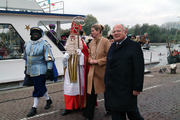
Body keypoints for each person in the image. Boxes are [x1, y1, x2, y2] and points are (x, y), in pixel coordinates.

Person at [104, 24, 144, 120]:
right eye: (114, 31)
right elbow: (109, 65)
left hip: (127, 88)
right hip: (113, 88)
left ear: (125, 32)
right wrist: (106, 81)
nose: (116, 33)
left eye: (119, 31)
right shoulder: (113, 45)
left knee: (132, 113)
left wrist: (137, 87)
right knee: (116, 114)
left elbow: (139, 68)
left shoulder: (134, 46)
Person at [23, 27, 55, 117]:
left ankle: (34, 108)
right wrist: (26, 68)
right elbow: (26, 58)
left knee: (37, 88)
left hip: (41, 70)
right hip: (30, 70)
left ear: (41, 34)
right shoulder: (27, 43)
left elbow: (49, 59)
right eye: (33, 32)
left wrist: (49, 70)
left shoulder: (45, 44)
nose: (35, 34)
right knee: (40, 86)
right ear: (31, 34)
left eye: (37, 32)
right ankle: (48, 100)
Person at [83, 24, 111, 120]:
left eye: (93, 30)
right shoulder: (91, 42)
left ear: (99, 31)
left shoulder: (105, 41)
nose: (92, 32)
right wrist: (90, 60)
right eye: (91, 30)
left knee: (106, 92)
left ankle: (110, 108)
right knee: (92, 93)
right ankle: (88, 115)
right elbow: (90, 55)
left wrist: (97, 61)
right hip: (93, 72)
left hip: (102, 71)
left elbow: (109, 57)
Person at [61, 21, 89, 116]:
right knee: (69, 87)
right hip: (69, 73)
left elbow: (86, 61)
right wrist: (64, 58)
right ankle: (68, 107)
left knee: (78, 87)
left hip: (79, 72)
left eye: (74, 36)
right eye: (71, 36)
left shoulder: (82, 47)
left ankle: (80, 105)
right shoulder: (67, 48)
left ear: (77, 38)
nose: (72, 38)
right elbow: (64, 65)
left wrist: (81, 55)